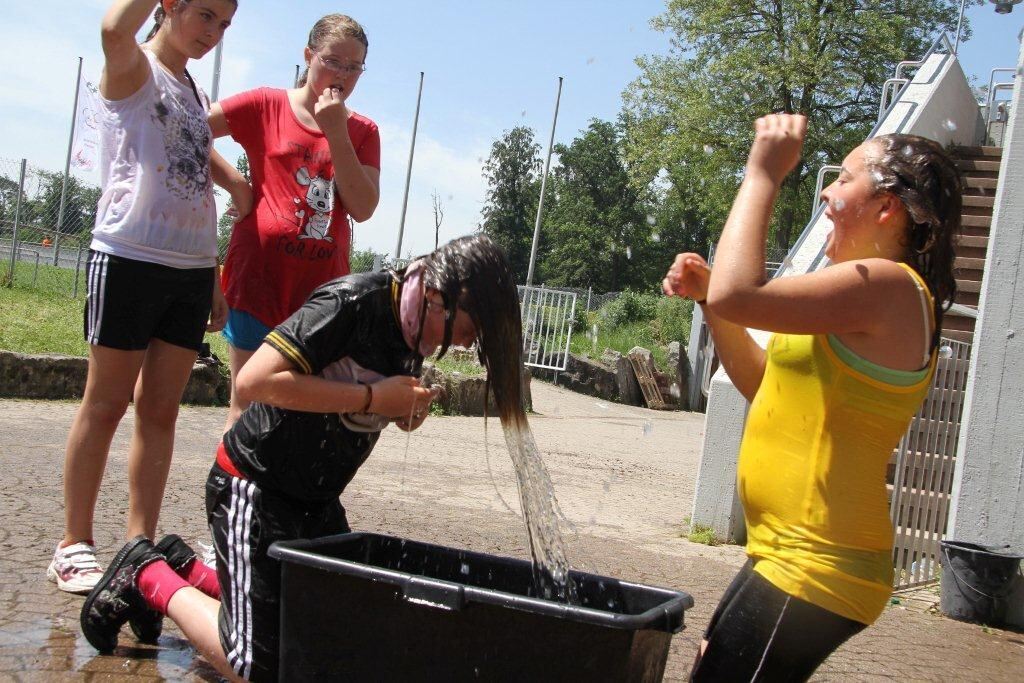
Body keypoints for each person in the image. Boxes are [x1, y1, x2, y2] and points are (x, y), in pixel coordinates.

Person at [80, 235, 527, 681]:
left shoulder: (414, 328)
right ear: (436, 297)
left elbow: (363, 405)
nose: (466, 346)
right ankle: (147, 573)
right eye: (469, 332)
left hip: (314, 501)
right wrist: (373, 397)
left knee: (331, 638)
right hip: (253, 487)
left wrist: (402, 410)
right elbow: (252, 383)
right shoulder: (354, 301)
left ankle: (187, 568)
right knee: (259, 665)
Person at [664, 114, 960, 681]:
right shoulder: (855, 299)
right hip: (788, 554)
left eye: (844, 178)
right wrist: (710, 301)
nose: (826, 189)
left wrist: (763, 173)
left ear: (886, 207)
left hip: (820, 562)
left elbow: (742, 290)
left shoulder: (891, 288)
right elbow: (761, 384)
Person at [48, 0, 247, 595]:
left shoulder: (187, 87)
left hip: (189, 268)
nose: (213, 33)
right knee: (105, 404)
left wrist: (213, 265)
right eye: (205, 15)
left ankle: (139, 543)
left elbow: (189, 152)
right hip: (130, 256)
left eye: (225, 24)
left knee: (160, 412)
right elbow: (112, 26)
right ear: (169, 6)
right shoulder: (132, 66)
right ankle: (74, 544)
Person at [210, 13, 381, 431]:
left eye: (353, 66)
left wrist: (336, 133)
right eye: (332, 61)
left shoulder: (362, 131)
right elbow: (188, 127)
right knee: (247, 407)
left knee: (301, 416)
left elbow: (362, 206)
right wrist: (235, 183)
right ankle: (235, 493)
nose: (342, 74)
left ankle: (284, 498)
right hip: (258, 280)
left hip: (321, 294)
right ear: (308, 56)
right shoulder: (266, 105)